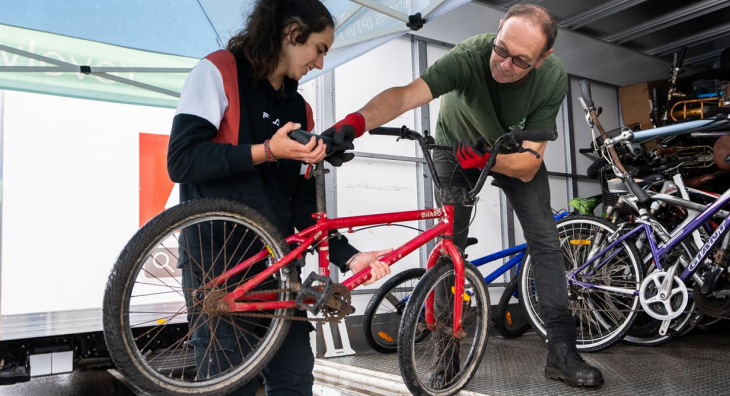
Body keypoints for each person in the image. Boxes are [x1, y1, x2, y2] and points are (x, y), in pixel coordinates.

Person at [320, 3, 604, 388]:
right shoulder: (470, 56)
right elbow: (405, 96)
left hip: (513, 155)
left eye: (519, 61)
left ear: (542, 59)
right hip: (454, 150)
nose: (503, 64)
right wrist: (353, 123)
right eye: (501, 49)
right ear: (498, 28)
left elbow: (530, 164)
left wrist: (492, 158)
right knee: (449, 247)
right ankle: (446, 355)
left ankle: (562, 351)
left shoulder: (552, 78)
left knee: (546, 242)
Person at [166, 1, 391, 395]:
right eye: (319, 49)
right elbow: (182, 160)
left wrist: (350, 256)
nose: (320, 63)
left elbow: (303, 207)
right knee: (229, 384)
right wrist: (267, 150)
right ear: (292, 33)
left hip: (280, 269)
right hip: (217, 268)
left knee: (294, 382)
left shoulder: (299, 109)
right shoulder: (219, 71)